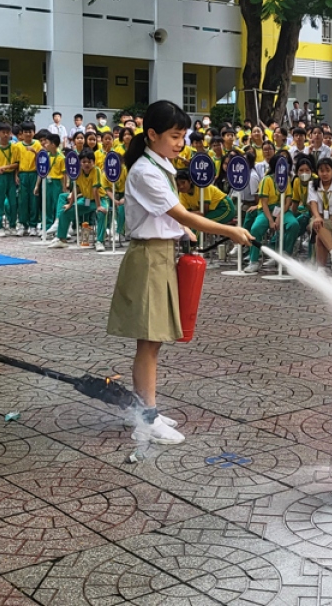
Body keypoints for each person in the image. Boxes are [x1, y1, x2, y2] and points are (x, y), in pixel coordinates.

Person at [107, 101, 252, 445]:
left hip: (160, 254)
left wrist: (181, 231)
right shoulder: (144, 171)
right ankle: (147, 417)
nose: (179, 143)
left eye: (183, 136)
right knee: (149, 341)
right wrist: (228, 231)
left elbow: (172, 217)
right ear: (152, 134)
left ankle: (148, 409)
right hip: (149, 259)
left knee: (154, 341)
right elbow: (182, 214)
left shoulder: (159, 166)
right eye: (174, 136)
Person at [47, 151, 110, 251]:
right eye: (84, 162)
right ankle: (61, 239)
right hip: (86, 200)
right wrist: (70, 204)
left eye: (89, 162)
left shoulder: (96, 170)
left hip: (100, 199)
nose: (87, 164)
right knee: (65, 212)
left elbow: (95, 190)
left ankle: (100, 241)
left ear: (93, 162)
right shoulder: (78, 172)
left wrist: (98, 206)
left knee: (102, 213)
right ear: (80, 162)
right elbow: (75, 189)